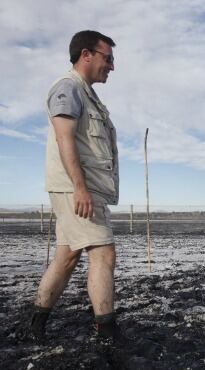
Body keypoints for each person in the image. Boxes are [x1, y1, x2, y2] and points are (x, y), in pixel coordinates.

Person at [28, 30, 123, 342]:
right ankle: (107, 333)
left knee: (67, 257)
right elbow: (64, 137)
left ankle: (36, 323)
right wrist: (80, 188)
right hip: (77, 190)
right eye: (107, 58)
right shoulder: (68, 88)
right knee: (103, 252)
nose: (111, 66)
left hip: (81, 188)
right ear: (86, 54)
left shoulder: (87, 94)